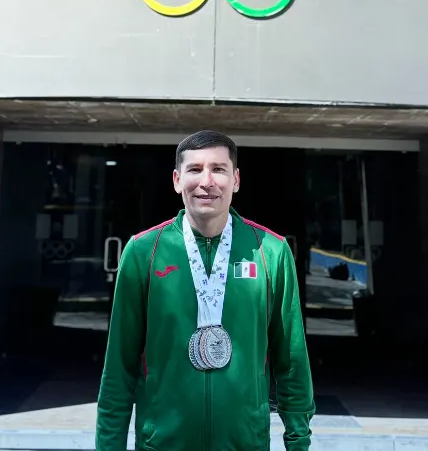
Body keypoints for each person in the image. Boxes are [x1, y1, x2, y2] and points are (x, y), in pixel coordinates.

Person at [95, 130, 314, 450]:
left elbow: (291, 361)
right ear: (177, 180)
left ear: (236, 180)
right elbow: (119, 365)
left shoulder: (271, 251)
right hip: (163, 444)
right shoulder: (144, 251)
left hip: (244, 444)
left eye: (219, 169)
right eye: (195, 169)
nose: (207, 181)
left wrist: (299, 441)